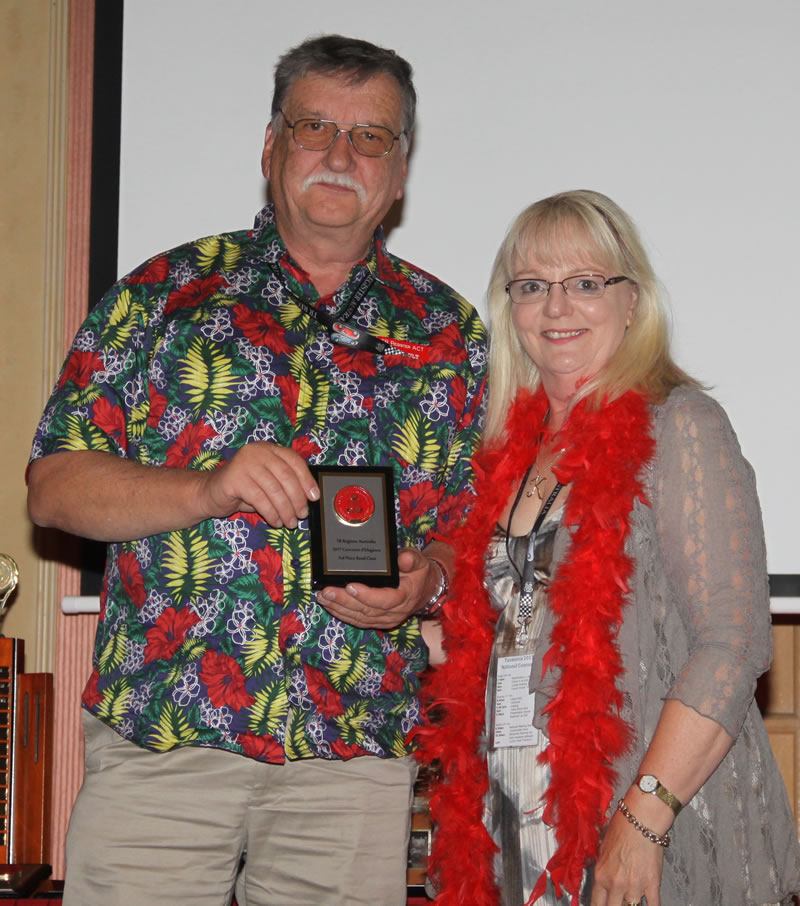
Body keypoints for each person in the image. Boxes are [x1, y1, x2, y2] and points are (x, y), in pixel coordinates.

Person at [27, 34, 486, 906]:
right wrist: (206, 488)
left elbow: (477, 527)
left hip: (351, 760)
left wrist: (429, 580)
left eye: (371, 137)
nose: (341, 155)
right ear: (271, 145)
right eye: (315, 127)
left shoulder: (450, 332)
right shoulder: (163, 294)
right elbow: (53, 487)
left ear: (399, 172)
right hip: (166, 740)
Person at [417, 190, 800, 906]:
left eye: (585, 282)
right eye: (532, 286)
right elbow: (509, 631)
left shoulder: (681, 425)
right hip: (512, 820)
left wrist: (644, 816)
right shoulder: (504, 453)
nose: (557, 307)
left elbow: (733, 643)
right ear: (510, 309)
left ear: (632, 302)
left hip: (651, 817)